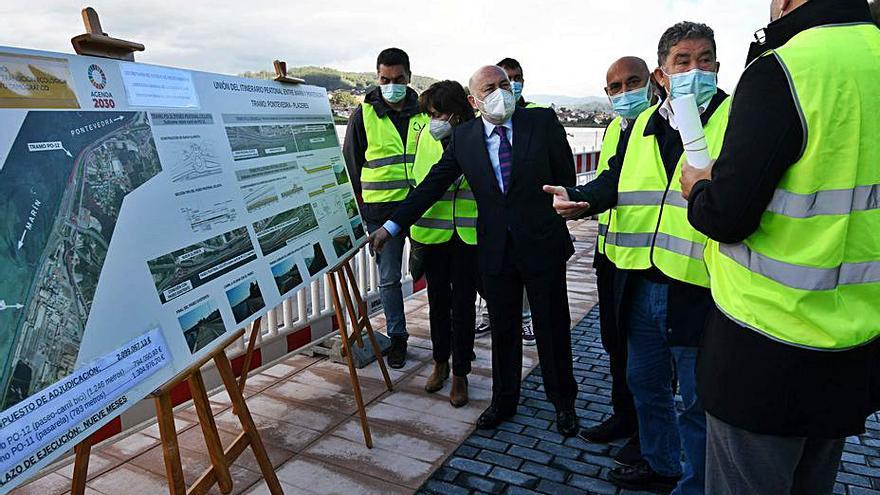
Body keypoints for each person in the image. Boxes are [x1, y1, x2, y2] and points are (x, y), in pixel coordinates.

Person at [678, 1, 880, 493]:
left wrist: (698, 187)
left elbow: (727, 215)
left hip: (764, 348)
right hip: (856, 342)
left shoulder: (785, 67)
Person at [546, 22, 729, 494]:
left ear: (717, 66)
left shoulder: (737, 119)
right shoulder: (643, 125)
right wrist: (580, 198)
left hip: (701, 285)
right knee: (644, 382)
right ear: (662, 73)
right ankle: (660, 462)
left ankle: (698, 484)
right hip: (639, 279)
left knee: (697, 400)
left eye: (704, 60)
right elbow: (614, 179)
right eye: (682, 62)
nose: (695, 70)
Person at [370, 65, 581, 437]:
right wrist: (392, 226)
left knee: (552, 326)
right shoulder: (465, 137)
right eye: (490, 88)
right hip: (495, 249)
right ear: (474, 100)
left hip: (541, 245)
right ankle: (504, 399)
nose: (501, 92)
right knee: (503, 329)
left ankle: (563, 402)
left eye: (505, 84)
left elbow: (565, 178)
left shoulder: (541, 122)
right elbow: (432, 185)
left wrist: (566, 209)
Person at [573, 57, 655, 469]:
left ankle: (648, 436)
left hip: (653, 261)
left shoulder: (665, 127)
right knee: (614, 344)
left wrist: (585, 199)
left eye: (633, 82)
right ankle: (623, 417)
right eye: (616, 87)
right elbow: (611, 179)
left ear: (653, 82)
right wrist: (582, 197)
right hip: (612, 255)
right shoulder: (614, 130)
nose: (624, 93)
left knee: (648, 360)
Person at [343, 48, 429, 369]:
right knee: (389, 279)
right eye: (385, 79)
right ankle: (398, 337)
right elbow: (351, 167)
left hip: (422, 209)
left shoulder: (424, 112)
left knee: (433, 272)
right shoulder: (362, 115)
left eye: (398, 79)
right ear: (377, 77)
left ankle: (446, 337)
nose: (391, 85)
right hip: (381, 215)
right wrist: (358, 215)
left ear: (409, 77)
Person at [411, 80, 479, 407]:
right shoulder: (425, 135)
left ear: (456, 113)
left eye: (438, 114)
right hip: (433, 235)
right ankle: (440, 361)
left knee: (463, 306)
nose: (433, 120)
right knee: (438, 304)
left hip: (468, 236)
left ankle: (461, 373)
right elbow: (419, 182)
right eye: (430, 114)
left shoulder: (478, 136)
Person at [496, 57, 541, 345]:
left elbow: (561, 171)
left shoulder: (539, 117)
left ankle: (527, 320)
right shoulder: (481, 124)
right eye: (505, 79)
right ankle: (493, 316)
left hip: (531, 220)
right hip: (496, 224)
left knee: (528, 277)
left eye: (516, 78)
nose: (511, 84)